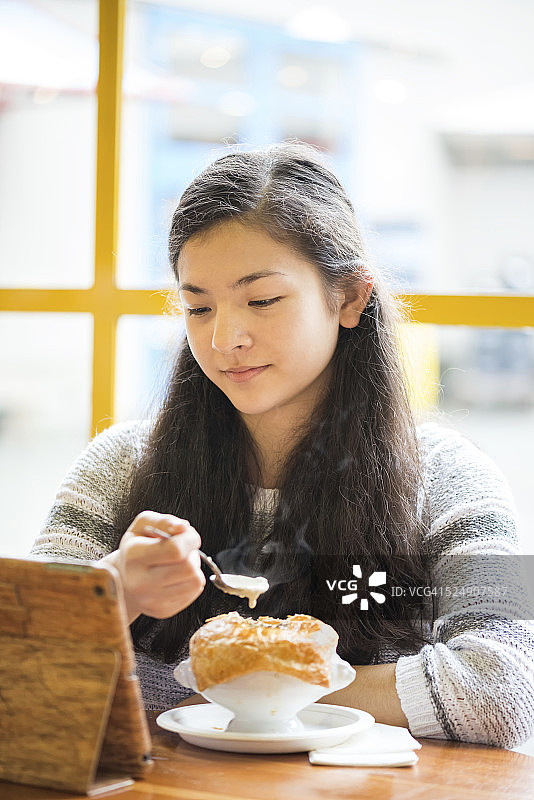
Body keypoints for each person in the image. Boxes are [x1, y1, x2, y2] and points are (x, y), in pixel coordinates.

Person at [31, 143, 534, 747]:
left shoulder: (450, 480)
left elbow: (506, 686)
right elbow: (24, 660)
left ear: (349, 298)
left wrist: (235, 691)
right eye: (198, 306)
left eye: (262, 300)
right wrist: (114, 590)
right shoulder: (121, 464)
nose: (224, 338)